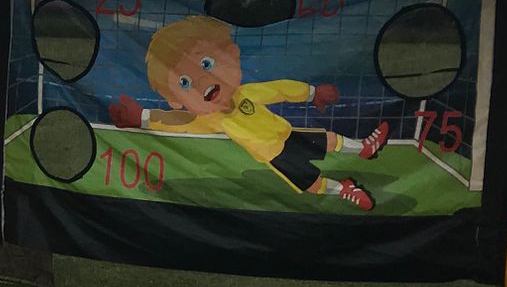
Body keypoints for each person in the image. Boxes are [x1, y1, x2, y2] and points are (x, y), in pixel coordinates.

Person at [108, 14, 390, 210]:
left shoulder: (246, 94)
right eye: (184, 83)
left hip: (289, 135)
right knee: (311, 184)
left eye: (206, 64)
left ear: (232, 54)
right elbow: (176, 122)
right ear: (175, 100)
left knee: (328, 139)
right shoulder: (207, 120)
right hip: (275, 156)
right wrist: (143, 117)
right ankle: (343, 189)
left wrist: (312, 93)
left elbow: (279, 89)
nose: (203, 81)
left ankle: (364, 148)